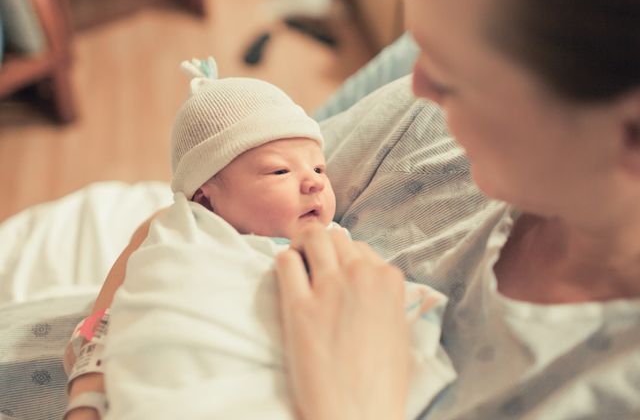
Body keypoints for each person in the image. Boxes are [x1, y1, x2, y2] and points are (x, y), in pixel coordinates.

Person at [274, 0, 640, 419]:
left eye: (451, 75)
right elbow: (181, 215)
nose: (416, 82)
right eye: (419, 46)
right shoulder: (418, 123)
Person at [64, 58, 453, 419]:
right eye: (279, 171)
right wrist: (89, 379)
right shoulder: (184, 231)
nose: (315, 180)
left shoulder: (330, 243)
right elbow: (147, 269)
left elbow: (367, 310)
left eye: (320, 167)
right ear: (205, 198)